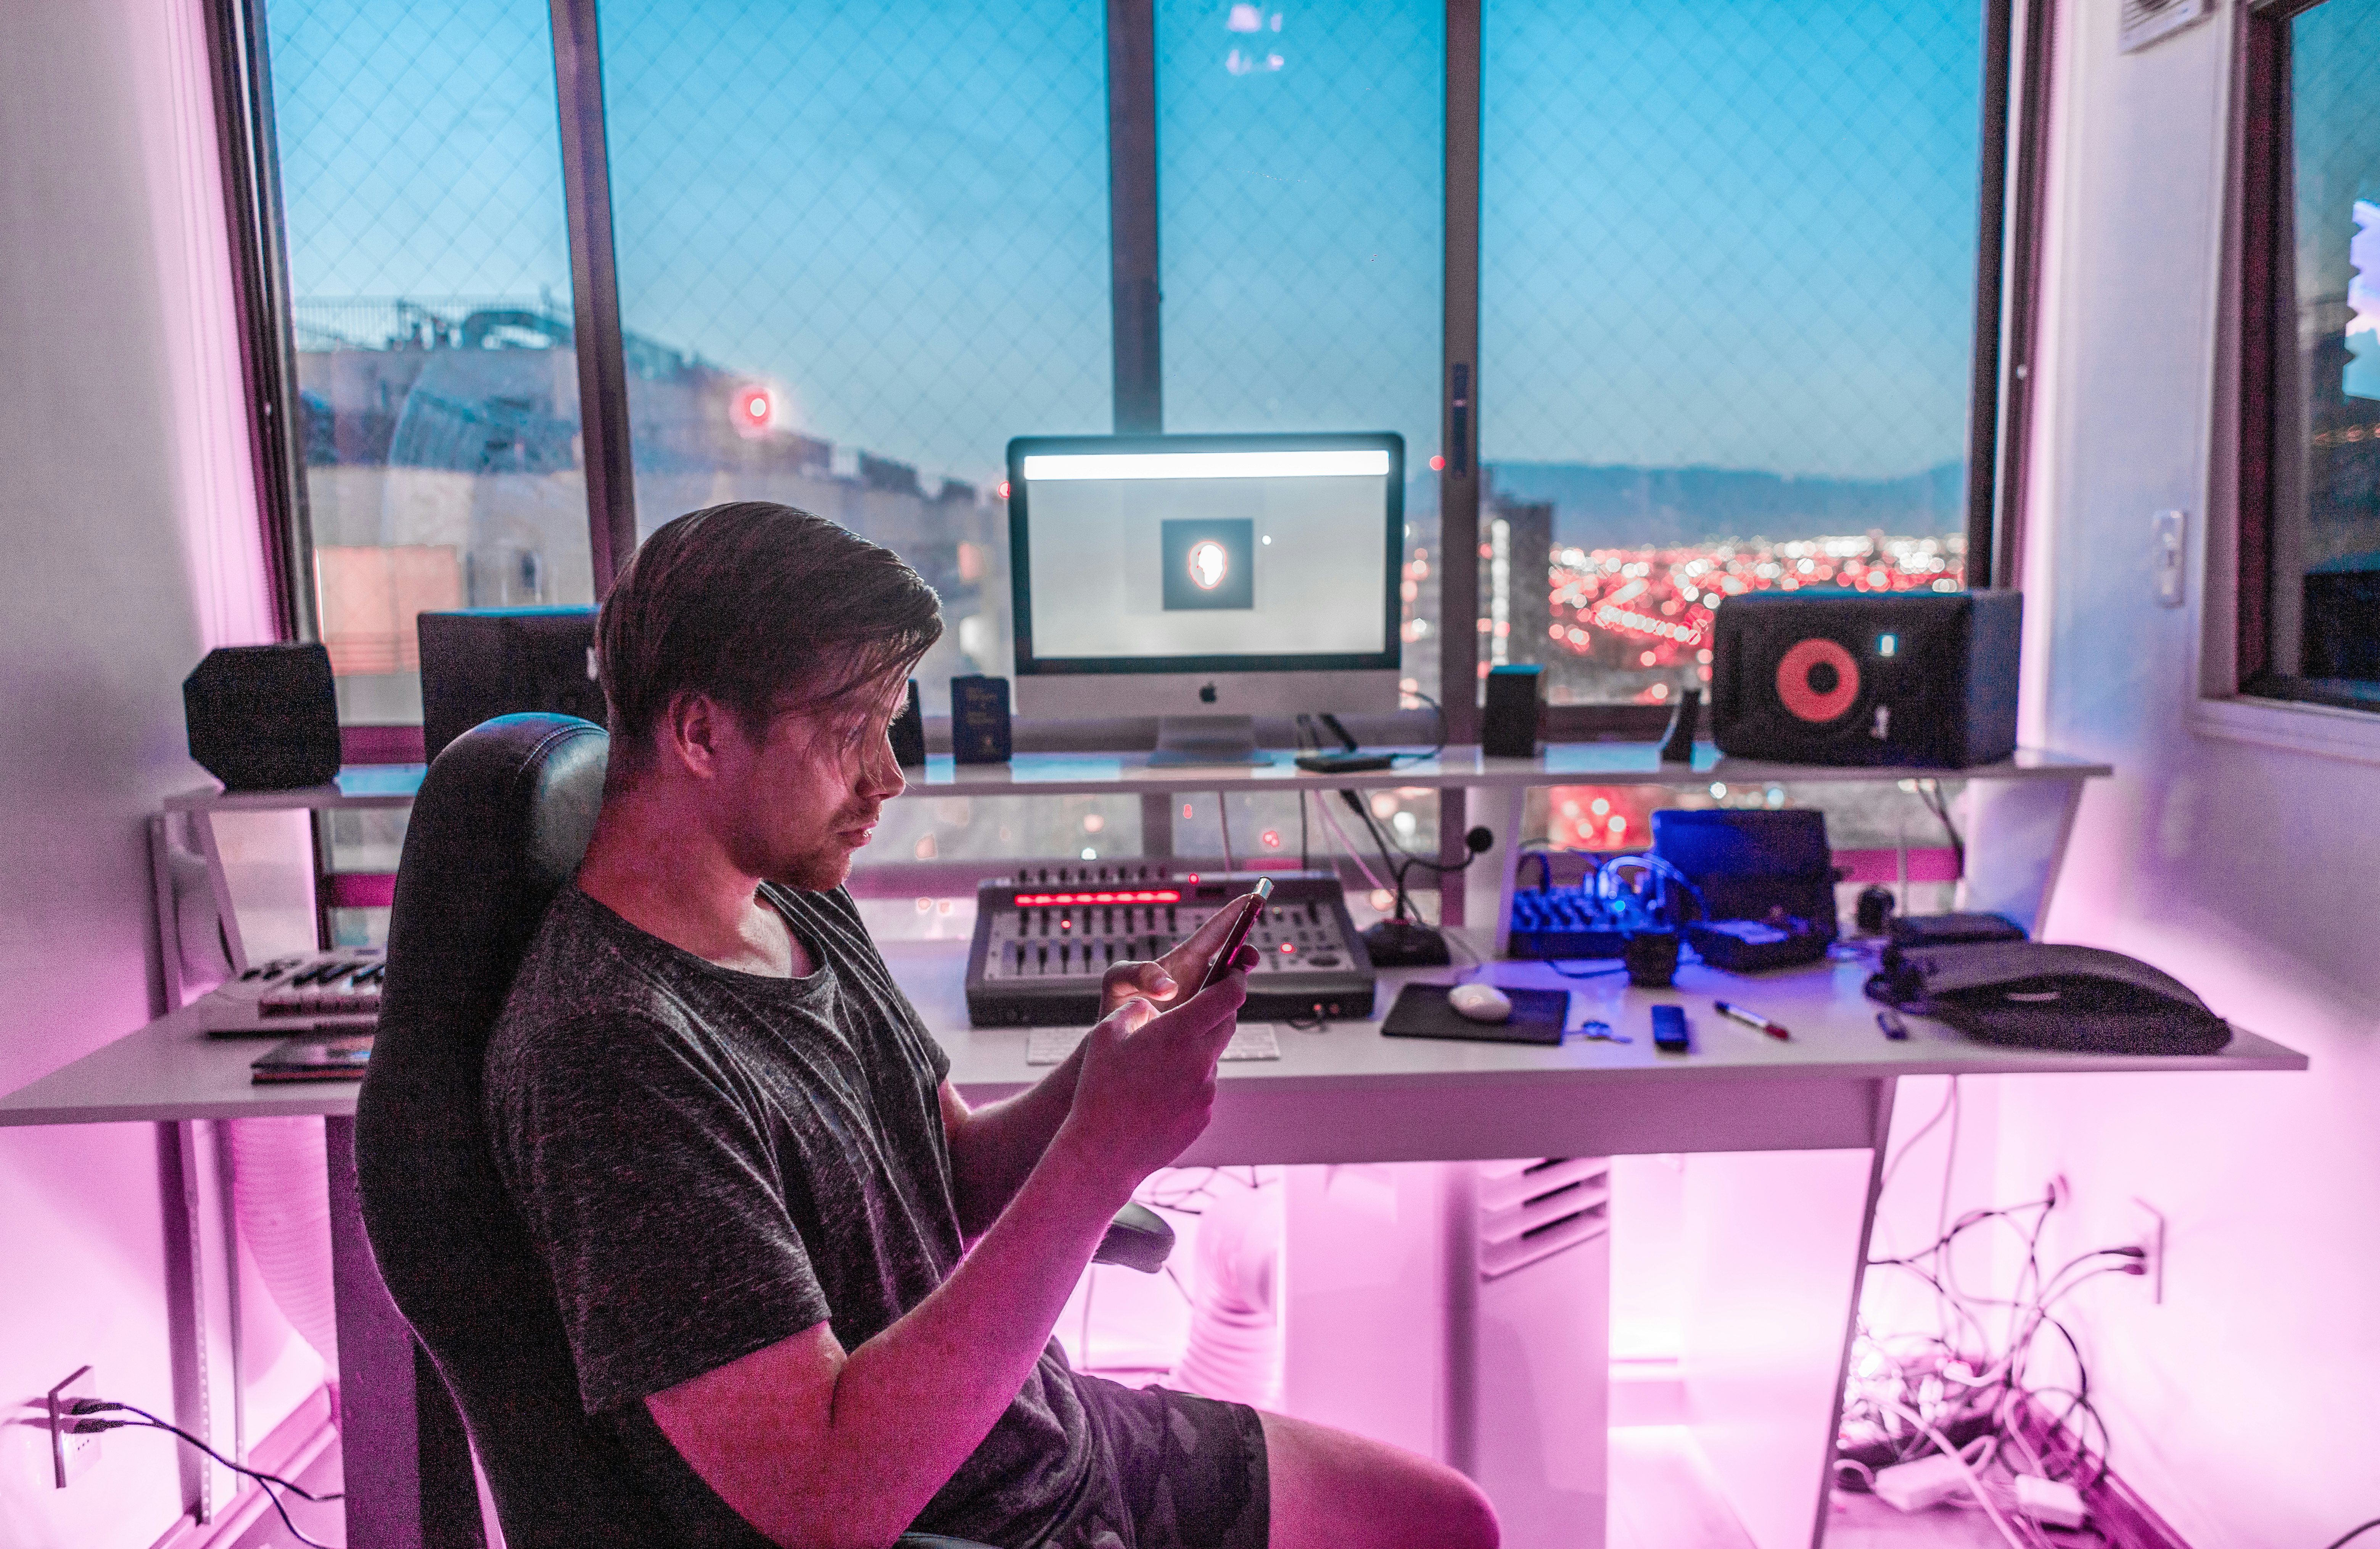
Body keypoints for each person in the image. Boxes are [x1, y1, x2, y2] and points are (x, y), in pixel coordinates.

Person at [483, 502, 1499, 1549]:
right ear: (701, 733)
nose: (890, 775)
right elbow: (828, 1497)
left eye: (891, 721)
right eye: (848, 733)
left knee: (1450, 1523)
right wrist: (1101, 1159)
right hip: (975, 1520)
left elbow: (952, 1170)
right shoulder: (612, 1055)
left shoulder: (790, 892)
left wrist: (1095, 1078)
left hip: (1037, 1437)